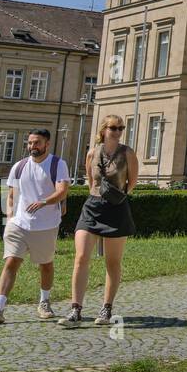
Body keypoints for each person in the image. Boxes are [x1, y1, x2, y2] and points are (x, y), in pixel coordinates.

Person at [0, 129, 69, 324]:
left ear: (47, 144)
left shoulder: (57, 164)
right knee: (11, 262)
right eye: (30, 143)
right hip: (18, 224)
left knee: (46, 264)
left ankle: (44, 302)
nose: (33, 146)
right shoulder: (19, 166)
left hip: (46, 225)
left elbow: (62, 191)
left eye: (37, 143)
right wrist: (10, 218)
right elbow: (12, 195)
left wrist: (43, 202)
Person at [58, 115, 137, 328]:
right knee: (81, 256)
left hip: (117, 209)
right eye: (114, 128)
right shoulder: (92, 153)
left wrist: (117, 197)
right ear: (104, 130)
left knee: (112, 262)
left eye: (121, 128)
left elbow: (132, 182)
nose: (118, 131)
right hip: (92, 207)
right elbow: (91, 182)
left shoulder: (127, 153)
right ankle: (75, 309)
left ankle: (106, 307)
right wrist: (98, 195)